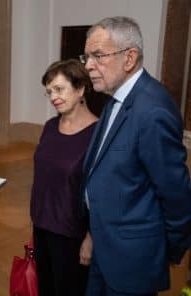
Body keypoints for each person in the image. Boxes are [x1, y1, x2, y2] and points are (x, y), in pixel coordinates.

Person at [80, 16, 191, 295]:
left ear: (129, 58)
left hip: (132, 262)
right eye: (86, 56)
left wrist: (166, 251)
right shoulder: (115, 97)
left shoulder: (153, 111)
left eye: (98, 56)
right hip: (104, 246)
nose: (88, 66)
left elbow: (176, 195)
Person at [30, 59, 97, 296]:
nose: (53, 97)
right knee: (46, 289)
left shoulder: (97, 135)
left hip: (72, 235)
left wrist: (91, 238)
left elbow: (102, 193)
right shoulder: (49, 126)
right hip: (41, 226)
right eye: (49, 92)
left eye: (59, 89)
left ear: (80, 89)